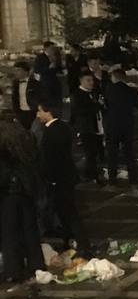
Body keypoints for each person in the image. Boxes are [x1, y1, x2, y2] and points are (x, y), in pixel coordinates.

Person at [36, 102, 91, 257]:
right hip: (68, 176)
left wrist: (49, 178)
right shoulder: (63, 127)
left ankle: (83, 244)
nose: (38, 115)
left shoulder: (50, 132)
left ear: (48, 112)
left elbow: (50, 159)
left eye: (40, 111)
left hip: (58, 179)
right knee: (64, 212)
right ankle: (69, 243)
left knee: (68, 212)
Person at [0, 121, 42, 283]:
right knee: (30, 230)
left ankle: (14, 270)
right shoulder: (24, 145)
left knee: (10, 234)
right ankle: (36, 263)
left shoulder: (4, 151)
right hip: (26, 192)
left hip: (9, 196)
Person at [102, 67, 138, 183]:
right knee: (129, 153)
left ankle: (112, 178)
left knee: (112, 153)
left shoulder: (108, 89)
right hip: (127, 125)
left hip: (112, 125)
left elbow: (104, 105)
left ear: (115, 77)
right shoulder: (131, 91)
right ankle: (133, 177)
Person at [69, 71, 105, 183]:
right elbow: (81, 111)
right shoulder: (78, 95)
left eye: (92, 80)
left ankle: (90, 173)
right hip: (86, 128)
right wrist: (98, 105)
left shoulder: (93, 92)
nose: (91, 82)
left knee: (96, 152)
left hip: (96, 126)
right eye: (88, 80)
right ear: (81, 81)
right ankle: (94, 176)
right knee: (90, 153)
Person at [10, 61, 38, 129]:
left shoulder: (34, 83)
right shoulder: (15, 83)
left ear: (25, 71)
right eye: (15, 70)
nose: (15, 72)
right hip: (20, 113)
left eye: (18, 70)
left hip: (33, 113)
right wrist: (16, 112)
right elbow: (14, 98)